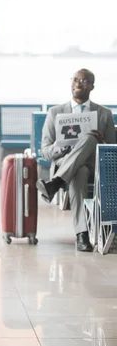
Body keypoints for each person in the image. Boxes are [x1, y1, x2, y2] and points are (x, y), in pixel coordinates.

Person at [36, 68, 116, 252]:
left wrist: (101, 140)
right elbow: (45, 152)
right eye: (76, 79)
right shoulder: (55, 112)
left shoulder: (104, 113)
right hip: (67, 164)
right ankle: (82, 235)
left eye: (84, 81)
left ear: (92, 87)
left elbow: (112, 149)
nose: (79, 83)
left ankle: (55, 184)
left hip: (94, 165)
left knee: (89, 138)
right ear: (71, 82)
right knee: (78, 173)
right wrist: (61, 147)